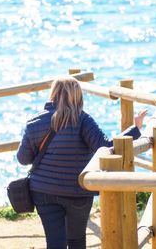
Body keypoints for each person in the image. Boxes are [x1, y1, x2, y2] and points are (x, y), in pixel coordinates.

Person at [16, 76, 147, 249]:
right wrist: (135, 129)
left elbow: (23, 159)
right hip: (78, 190)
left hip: (43, 190)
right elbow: (106, 147)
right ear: (78, 95)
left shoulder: (35, 122)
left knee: (55, 243)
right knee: (77, 240)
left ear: (53, 94)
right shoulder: (83, 120)